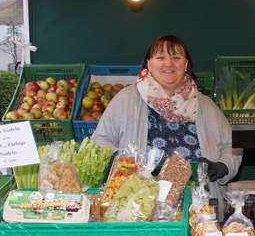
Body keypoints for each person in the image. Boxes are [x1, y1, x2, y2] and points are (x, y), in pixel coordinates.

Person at [92, 35, 242, 213]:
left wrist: (224, 165)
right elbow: (100, 141)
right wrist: (124, 163)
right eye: (160, 57)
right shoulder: (126, 99)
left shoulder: (205, 104)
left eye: (176, 57)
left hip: (200, 209)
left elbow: (235, 143)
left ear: (185, 65)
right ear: (149, 64)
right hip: (139, 208)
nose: (168, 63)